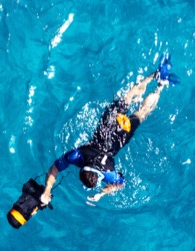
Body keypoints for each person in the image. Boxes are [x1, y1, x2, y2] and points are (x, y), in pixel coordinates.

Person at [38, 55, 179, 205]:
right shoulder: (77, 155)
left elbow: (121, 183)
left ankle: (160, 86)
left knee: (141, 113)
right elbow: (54, 168)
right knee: (127, 97)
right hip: (107, 126)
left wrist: (103, 193)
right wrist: (46, 191)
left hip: (121, 136)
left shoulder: (108, 173)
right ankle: (155, 75)